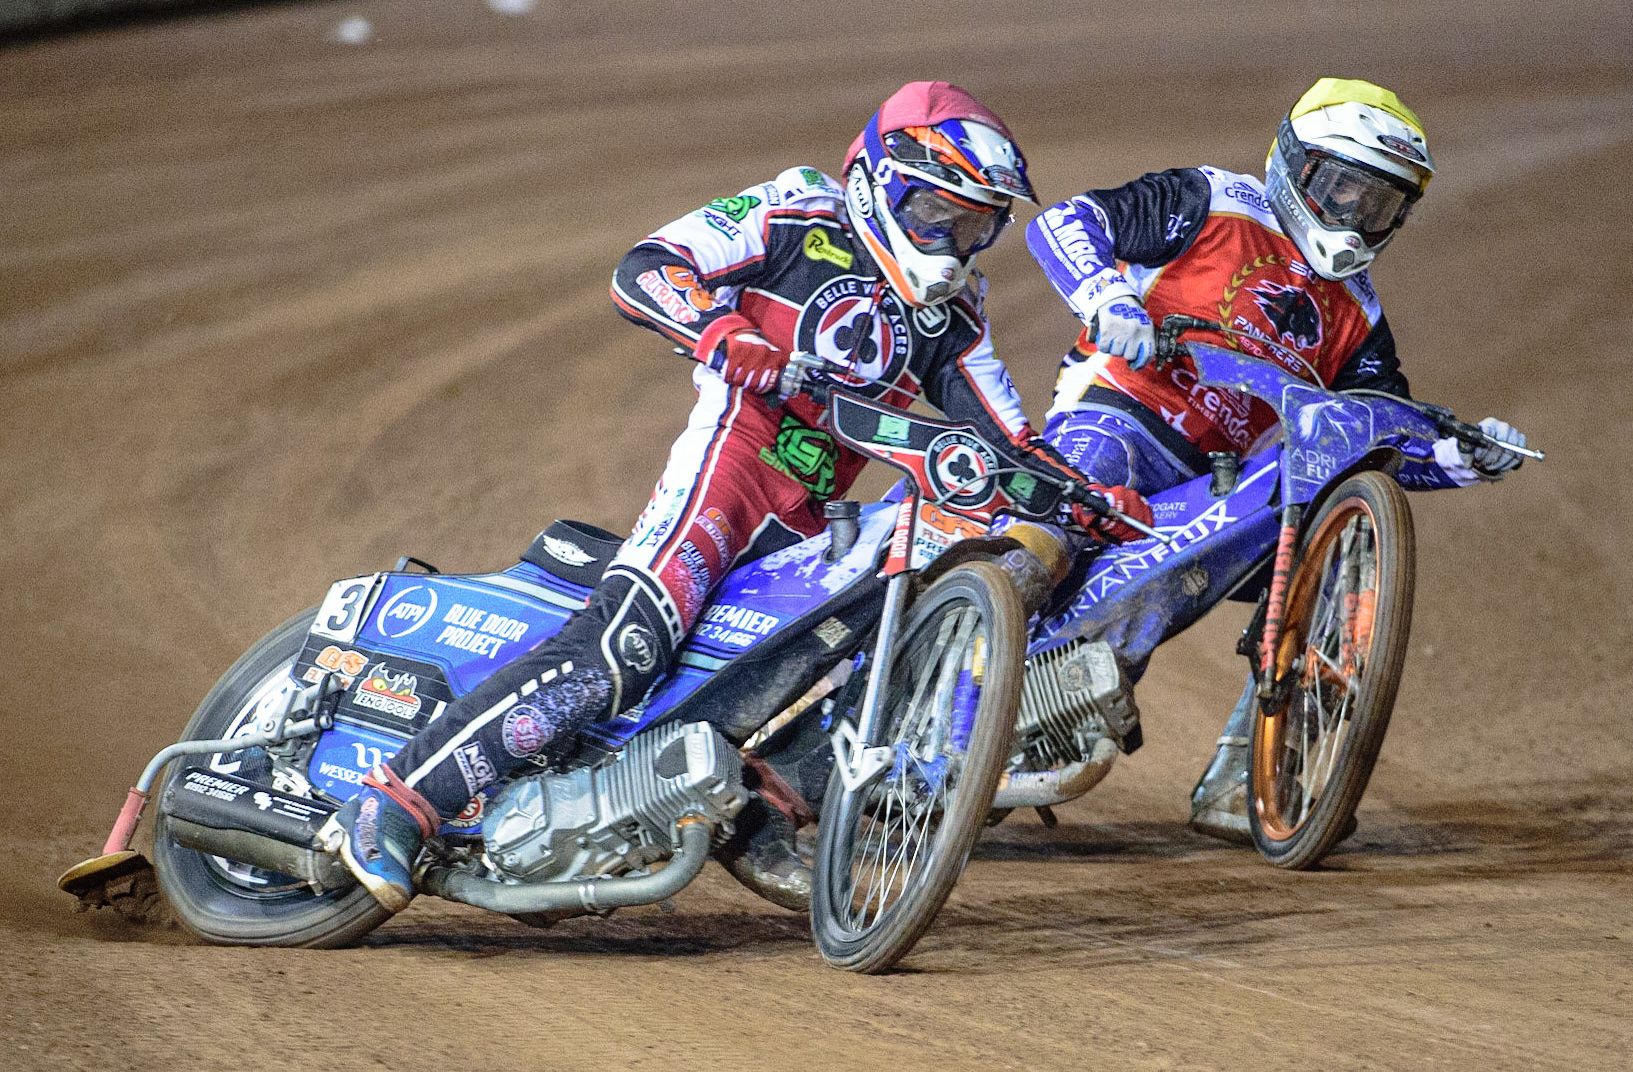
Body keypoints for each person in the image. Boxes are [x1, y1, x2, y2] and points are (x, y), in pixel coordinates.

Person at [318, 80, 1147, 915]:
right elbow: (646, 268)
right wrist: (722, 331)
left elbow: (1004, 432)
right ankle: (397, 803)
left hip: (814, 517)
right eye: (937, 213)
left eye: (974, 226)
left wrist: (1082, 495)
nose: (952, 241)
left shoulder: (956, 310)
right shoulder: (795, 211)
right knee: (626, 649)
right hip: (728, 470)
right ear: (878, 182)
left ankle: (756, 809)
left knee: (831, 651)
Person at [1018, 77, 1529, 842]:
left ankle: (1248, 778)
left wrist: (1461, 455)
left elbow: (1373, 433)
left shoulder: (1359, 313)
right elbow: (1067, 220)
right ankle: (978, 648)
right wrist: (1107, 299)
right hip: (1122, 414)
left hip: (1228, 485)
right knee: (1070, 503)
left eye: (1378, 204)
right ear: (1293, 164)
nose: (1353, 216)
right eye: (1342, 188)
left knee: (1339, 569)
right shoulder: (1212, 201)